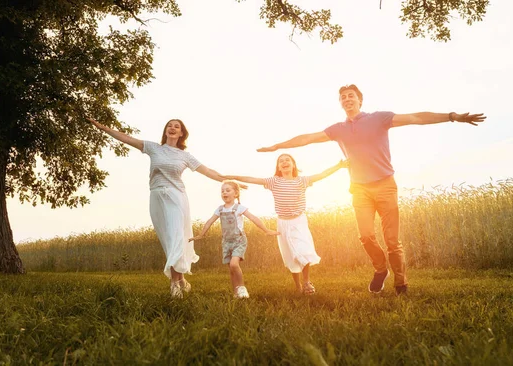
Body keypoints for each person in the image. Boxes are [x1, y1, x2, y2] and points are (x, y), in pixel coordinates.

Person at [257, 84, 487, 296]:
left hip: (385, 185)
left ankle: (400, 281)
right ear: (341, 103)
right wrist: (278, 146)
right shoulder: (338, 129)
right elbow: (308, 138)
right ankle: (380, 269)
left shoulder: (380, 118)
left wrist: (452, 117)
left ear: (360, 100)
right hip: (359, 189)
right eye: (343, 97)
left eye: (351, 96)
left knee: (392, 240)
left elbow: (416, 117)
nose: (347, 99)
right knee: (366, 236)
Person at [88, 117, 235, 299]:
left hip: (176, 197)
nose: (172, 128)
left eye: (177, 126)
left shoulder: (185, 156)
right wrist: (103, 128)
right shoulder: (153, 148)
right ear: (165, 131)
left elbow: (208, 171)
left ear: (181, 133)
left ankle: (174, 284)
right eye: (169, 126)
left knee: (176, 237)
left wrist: (228, 179)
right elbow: (126, 138)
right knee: (169, 241)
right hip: (156, 196)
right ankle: (180, 279)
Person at [226, 154, 348, 295]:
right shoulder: (274, 182)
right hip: (283, 223)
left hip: (299, 221)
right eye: (281, 161)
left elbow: (321, 175)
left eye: (287, 160)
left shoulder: (302, 181)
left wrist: (338, 166)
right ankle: (298, 286)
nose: (284, 162)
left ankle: (307, 281)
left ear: (293, 165)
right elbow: (252, 179)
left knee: (303, 250)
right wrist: (233, 177)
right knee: (290, 255)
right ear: (278, 167)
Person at [189, 180, 279, 299]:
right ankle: (236, 291)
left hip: (239, 241)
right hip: (226, 242)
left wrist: (266, 230)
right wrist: (201, 235)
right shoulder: (220, 209)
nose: (224, 193)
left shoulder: (239, 208)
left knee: (234, 264)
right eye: (222, 191)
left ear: (235, 194)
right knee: (231, 269)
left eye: (228, 190)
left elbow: (254, 218)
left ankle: (241, 287)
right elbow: (209, 222)